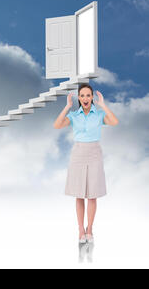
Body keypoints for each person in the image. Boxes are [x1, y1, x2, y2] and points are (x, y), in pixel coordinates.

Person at [53, 83, 118, 244]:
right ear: (79, 98)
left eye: (88, 95)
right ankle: (81, 229)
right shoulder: (74, 115)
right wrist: (67, 106)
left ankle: (90, 228)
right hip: (78, 153)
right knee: (79, 194)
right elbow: (57, 125)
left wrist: (103, 104)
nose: (85, 98)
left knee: (93, 195)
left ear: (92, 97)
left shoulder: (99, 113)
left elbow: (114, 122)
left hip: (95, 152)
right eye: (82, 95)